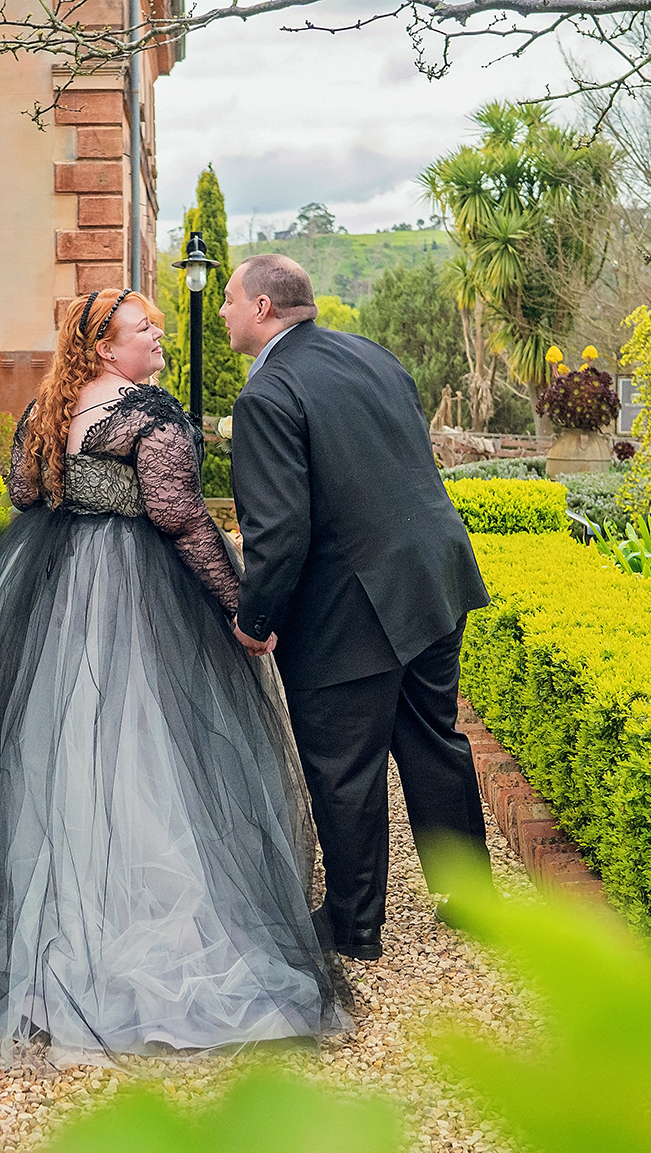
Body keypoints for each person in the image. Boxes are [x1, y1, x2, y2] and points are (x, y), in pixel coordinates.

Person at [0, 287, 347, 1063]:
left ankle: (40, 904)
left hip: (44, 588)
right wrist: (239, 604)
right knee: (141, 743)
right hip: (136, 592)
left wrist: (81, 490)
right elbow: (181, 517)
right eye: (141, 329)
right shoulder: (151, 415)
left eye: (157, 325)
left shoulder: (44, 412)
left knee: (49, 739)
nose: (158, 336)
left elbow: (25, 493)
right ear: (102, 348)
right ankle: (131, 911)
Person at [220, 255, 492, 962]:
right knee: (434, 737)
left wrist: (254, 619)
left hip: (353, 604)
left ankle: (353, 923)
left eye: (227, 300)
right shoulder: (372, 355)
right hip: (433, 576)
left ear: (260, 308)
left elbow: (280, 532)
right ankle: (474, 899)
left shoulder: (267, 394)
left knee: (345, 763)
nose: (220, 313)